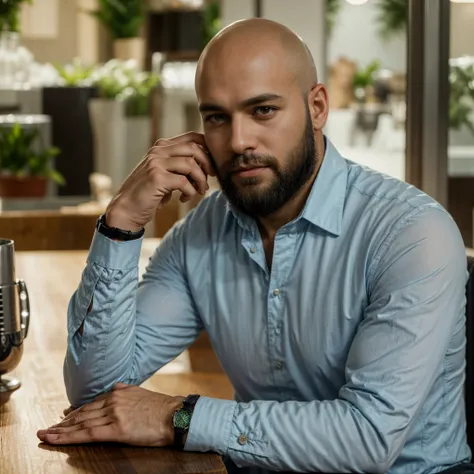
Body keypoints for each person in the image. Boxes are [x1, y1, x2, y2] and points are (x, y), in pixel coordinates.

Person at [37, 18, 473, 474]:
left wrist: (177, 416)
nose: (239, 141)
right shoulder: (201, 233)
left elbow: (368, 437)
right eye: (217, 118)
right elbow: (95, 394)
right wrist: (122, 221)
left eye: (263, 110)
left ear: (318, 107)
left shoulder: (412, 233)